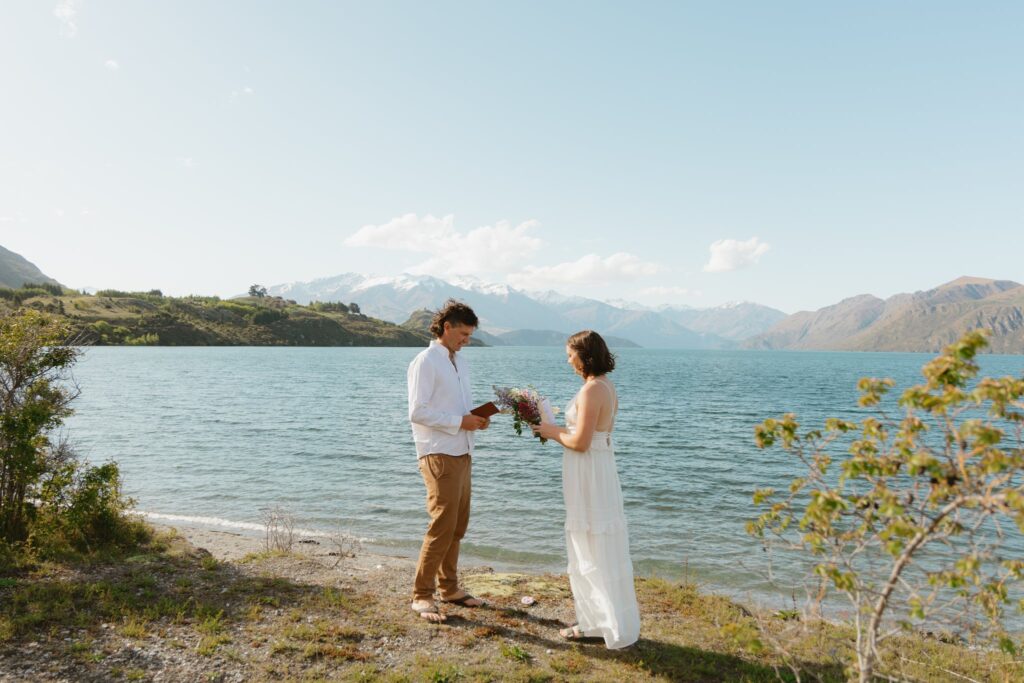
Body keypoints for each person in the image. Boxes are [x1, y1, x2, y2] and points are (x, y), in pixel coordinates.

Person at [532, 330, 640, 648]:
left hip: (589, 471)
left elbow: (579, 443)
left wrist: (551, 432)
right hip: (598, 467)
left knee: (589, 542)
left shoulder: (593, 389)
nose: (568, 361)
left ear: (584, 354)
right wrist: (552, 427)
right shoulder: (605, 385)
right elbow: (586, 434)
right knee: (598, 543)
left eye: (570, 354)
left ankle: (596, 624)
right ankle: (602, 620)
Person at [407, 299, 490, 622]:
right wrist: (459, 422)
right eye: (463, 334)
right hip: (438, 450)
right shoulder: (425, 361)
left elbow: (460, 409)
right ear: (447, 327)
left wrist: (477, 420)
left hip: (463, 449)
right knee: (442, 525)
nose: (466, 340)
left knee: (457, 526)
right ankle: (421, 595)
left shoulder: (460, 362)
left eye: (470, 335)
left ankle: (450, 588)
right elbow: (417, 411)